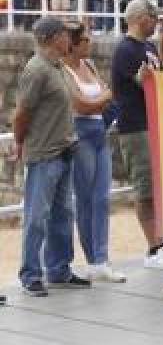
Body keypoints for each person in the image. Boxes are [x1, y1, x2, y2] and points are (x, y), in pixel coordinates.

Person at [13, 17, 93, 297]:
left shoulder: (56, 66)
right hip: (44, 154)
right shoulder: (36, 71)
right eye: (64, 34)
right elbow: (22, 112)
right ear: (52, 38)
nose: (68, 39)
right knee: (37, 217)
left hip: (62, 152)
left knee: (62, 215)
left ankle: (59, 269)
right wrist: (19, 142)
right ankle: (31, 275)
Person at [111, 0, 163, 268]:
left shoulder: (148, 46)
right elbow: (142, 84)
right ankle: (154, 246)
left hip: (153, 124)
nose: (157, 22)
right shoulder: (125, 49)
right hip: (136, 126)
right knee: (145, 187)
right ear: (141, 19)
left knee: (158, 186)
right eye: (153, 17)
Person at [64, 23, 124, 284]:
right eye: (86, 40)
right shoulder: (66, 71)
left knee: (102, 198)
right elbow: (82, 105)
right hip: (81, 133)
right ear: (74, 43)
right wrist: (103, 98)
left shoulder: (88, 66)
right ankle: (93, 259)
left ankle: (101, 258)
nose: (90, 43)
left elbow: (102, 99)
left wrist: (100, 101)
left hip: (99, 131)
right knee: (85, 199)